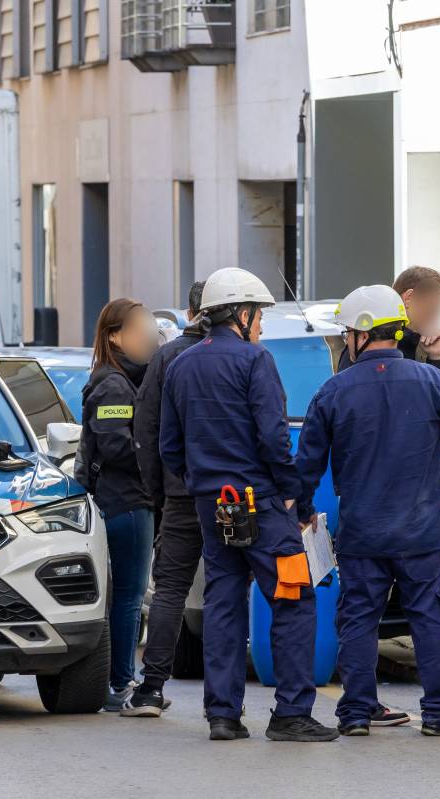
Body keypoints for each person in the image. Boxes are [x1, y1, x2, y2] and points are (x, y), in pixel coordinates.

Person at [296, 285, 440, 736]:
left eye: (347, 334)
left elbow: (307, 466)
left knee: (358, 621)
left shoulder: (333, 390)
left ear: (360, 334)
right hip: (420, 531)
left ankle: (355, 712)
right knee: (430, 620)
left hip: (362, 533)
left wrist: (303, 511)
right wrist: (435, 367)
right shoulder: (431, 380)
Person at [160, 267, 338, 743]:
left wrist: (203, 483)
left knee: (223, 601)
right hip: (260, 501)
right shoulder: (255, 361)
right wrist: (293, 496)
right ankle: (291, 713)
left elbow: (169, 448)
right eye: (258, 316)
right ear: (241, 314)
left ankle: (222, 714)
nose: (260, 325)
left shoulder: (180, 366)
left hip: (211, 503)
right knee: (294, 597)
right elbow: (274, 437)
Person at [121, 281, 206, 717]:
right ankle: (225, 701)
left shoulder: (168, 356)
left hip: (180, 494)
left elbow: (146, 430)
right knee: (228, 589)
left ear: (191, 311)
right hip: (236, 496)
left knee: (170, 588)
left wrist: (159, 490)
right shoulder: (249, 354)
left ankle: (151, 689)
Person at [76, 298, 159, 712]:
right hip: (125, 502)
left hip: (125, 500)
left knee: (124, 596)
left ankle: (120, 679)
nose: (149, 335)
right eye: (139, 327)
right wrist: (157, 459)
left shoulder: (124, 379)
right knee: (128, 596)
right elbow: (116, 446)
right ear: (114, 335)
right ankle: (121, 684)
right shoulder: (113, 384)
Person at [337, 266, 440, 371]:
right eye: (432, 308)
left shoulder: (427, 342)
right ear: (408, 298)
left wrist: (435, 357)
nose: (436, 316)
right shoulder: (371, 344)